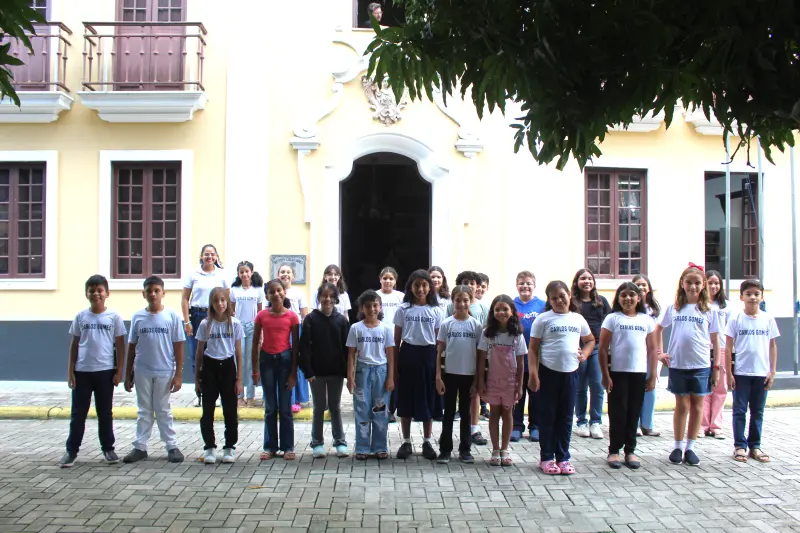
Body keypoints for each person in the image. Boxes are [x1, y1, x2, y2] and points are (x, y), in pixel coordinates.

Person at [655, 265, 720, 466]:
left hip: (700, 364)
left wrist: (715, 367)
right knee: (681, 405)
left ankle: (690, 447)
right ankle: (677, 445)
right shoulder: (674, 308)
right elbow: (658, 329)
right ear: (682, 284)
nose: (693, 286)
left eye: (697, 283)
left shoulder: (709, 310)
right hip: (678, 364)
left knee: (697, 405)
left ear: (703, 286)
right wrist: (660, 353)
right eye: (689, 282)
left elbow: (716, 340)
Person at [60, 275, 126, 468]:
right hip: (82, 372)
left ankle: (108, 448)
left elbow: (120, 346)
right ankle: (71, 451)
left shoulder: (114, 318)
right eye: (92, 290)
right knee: (78, 414)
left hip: (105, 371)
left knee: (105, 413)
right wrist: (70, 371)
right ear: (86, 294)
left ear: (107, 293)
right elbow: (74, 344)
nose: (96, 293)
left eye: (100, 290)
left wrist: (119, 371)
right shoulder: (81, 317)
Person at [529, 280, 594, 475]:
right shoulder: (543, 319)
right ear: (549, 300)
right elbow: (532, 349)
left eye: (562, 296)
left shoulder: (577, 319)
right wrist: (533, 374)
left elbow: (590, 340)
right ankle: (547, 457)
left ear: (569, 295)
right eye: (554, 298)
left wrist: (585, 353)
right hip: (547, 373)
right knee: (548, 416)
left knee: (566, 417)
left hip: (571, 374)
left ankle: (563, 457)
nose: (559, 300)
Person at [123, 276, 186, 464]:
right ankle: (140, 447)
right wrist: (128, 374)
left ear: (163, 293)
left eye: (156, 290)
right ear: (144, 294)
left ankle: (172, 445)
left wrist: (178, 374)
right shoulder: (137, 317)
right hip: (142, 370)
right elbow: (132, 346)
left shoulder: (172, 317)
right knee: (144, 410)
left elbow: (178, 345)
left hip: (164, 370)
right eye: (149, 291)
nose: (153, 294)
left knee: (163, 409)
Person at [599, 282, 658, 469]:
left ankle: (630, 450)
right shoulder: (612, 318)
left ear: (639, 298)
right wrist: (605, 375)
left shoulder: (646, 320)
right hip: (617, 373)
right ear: (618, 298)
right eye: (623, 295)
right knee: (618, 412)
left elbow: (652, 349)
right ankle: (614, 450)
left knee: (634, 413)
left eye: (632, 294)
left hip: (638, 373)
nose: (628, 298)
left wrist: (652, 374)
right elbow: (602, 349)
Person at [726, 279, 779, 463]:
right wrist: (729, 373)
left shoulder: (768, 319)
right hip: (741, 373)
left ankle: (755, 446)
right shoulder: (735, 319)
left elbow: (772, 346)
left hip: (761, 374)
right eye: (748, 294)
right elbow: (728, 347)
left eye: (756, 294)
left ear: (762, 296)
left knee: (758, 411)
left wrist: (772, 371)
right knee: (739, 410)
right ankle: (740, 445)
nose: (753, 297)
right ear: (741, 297)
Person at [393, 269, 441, 460]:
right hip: (408, 355)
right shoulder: (403, 309)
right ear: (410, 287)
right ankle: (406, 442)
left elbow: (439, 342)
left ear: (430, 288)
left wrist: (438, 369)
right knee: (406, 399)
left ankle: (427, 441)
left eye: (424, 285)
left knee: (427, 399)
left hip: (428, 356)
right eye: (416, 285)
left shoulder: (436, 311)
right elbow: (396, 341)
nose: (420, 289)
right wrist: (394, 367)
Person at [194, 287, 244, 465]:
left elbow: (238, 354)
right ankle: (209, 447)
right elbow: (199, 353)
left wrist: (239, 379)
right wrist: (197, 379)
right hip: (210, 367)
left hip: (228, 366)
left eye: (223, 300)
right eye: (216, 301)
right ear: (211, 304)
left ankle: (229, 446)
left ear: (228, 302)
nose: (220, 304)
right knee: (207, 411)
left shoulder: (235, 324)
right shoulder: (205, 324)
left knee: (230, 411)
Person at [301, 283, 350, 459]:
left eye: (331, 296)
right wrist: (308, 371)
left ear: (335, 298)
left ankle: (340, 442)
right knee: (319, 407)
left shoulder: (342, 321)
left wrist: (347, 372)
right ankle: (317, 442)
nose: (327, 299)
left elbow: (348, 349)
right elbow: (304, 347)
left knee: (335, 407)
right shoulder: (311, 319)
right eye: (324, 296)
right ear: (319, 298)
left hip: (336, 372)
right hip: (317, 373)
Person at [477, 295, 526, 466]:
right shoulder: (487, 333)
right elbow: (481, 359)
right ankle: (495, 449)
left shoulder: (517, 335)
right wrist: (480, 381)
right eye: (497, 309)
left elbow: (521, 363)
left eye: (505, 309)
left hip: (510, 381)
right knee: (494, 413)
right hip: (492, 380)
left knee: (507, 413)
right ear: (492, 312)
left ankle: (505, 449)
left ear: (512, 311)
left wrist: (520, 385)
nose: (501, 312)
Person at [253, 279, 300, 460]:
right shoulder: (261, 316)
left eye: (279, 290)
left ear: (284, 292)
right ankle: (270, 446)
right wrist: (254, 369)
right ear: (267, 295)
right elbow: (256, 342)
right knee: (271, 407)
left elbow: (295, 347)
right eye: (271, 291)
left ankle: (288, 446)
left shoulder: (292, 317)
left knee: (285, 407)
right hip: (266, 361)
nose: (276, 294)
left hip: (285, 361)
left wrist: (294, 373)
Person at [347, 290, 396, 460]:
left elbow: (390, 355)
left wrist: (390, 377)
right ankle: (362, 447)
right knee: (362, 410)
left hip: (381, 372)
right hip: (362, 372)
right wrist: (350, 377)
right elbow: (351, 354)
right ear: (362, 308)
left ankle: (380, 446)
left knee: (380, 410)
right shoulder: (355, 328)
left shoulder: (386, 328)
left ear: (380, 307)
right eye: (368, 306)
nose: (372, 309)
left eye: (375, 305)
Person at [435, 285, 481, 464]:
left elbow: (480, 354)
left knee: (466, 413)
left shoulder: (475, 325)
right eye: (458, 300)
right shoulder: (446, 324)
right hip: (449, 375)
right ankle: (445, 449)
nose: (461, 304)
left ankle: (465, 449)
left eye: (465, 300)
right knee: (448, 413)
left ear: (470, 301)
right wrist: (438, 376)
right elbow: (439, 352)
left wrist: (477, 380)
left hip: (468, 376)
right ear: (452, 301)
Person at [182, 244, 230, 407]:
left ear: (216, 257)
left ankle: (214, 393)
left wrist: (227, 319)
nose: (209, 257)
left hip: (216, 316)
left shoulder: (222, 275)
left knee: (216, 354)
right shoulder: (193, 274)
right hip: (197, 315)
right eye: (206, 254)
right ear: (201, 256)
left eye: (212, 254)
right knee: (198, 354)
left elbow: (227, 299)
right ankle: (200, 392)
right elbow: (184, 299)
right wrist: (187, 321)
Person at [451, 270, 490, 445]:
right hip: (455, 357)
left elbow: (487, 332)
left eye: (472, 283)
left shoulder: (483, 308)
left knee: (474, 394)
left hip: (475, 356)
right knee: (455, 396)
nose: (469, 286)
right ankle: (452, 431)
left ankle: (474, 429)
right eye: (465, 282)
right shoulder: (450, 306)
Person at [571, 268, 610, 439]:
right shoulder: (572, 302)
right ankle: (581, 422)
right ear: (577, 282)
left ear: (594, 282)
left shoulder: (601, 302)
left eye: (589, 278)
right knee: (580, 387)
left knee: (597, 385)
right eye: (583, 278)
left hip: (597, 348)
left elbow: (609, 322)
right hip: (577, 348)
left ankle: (595, 422)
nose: (586, 281)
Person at [511, 270, 546, 443]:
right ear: (516, 285)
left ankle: (536, 427)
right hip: (515, 359)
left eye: (528, 283)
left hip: (536, 361)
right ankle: (516, 426)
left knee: (537, 394)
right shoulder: (511, 304)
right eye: (522, 283)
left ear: (534, 285)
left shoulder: (542, 305)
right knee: (517, 393)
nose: (525, 286)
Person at [230, 260, 264, 407]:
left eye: (246, 271)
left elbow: (261, 311)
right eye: (241, 272)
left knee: (251, 360)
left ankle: (250, 396)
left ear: (251, 272)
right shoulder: (234, 290)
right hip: (238, 326)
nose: (244, 274)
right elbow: (231, 309)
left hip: (253, 326)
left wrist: (261, 331)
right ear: (238, 274)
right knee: (239, 360)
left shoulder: (258, 290)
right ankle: (239, 395)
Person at [701, 269, 730, 438]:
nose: (713, 286)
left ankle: (716, 425)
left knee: (720, 388)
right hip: (703, 349)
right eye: (710, 282)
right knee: (704, 388)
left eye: (716, 283)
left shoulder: (726, 306)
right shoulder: (700, 305)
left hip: (722, 350)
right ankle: (703, 424)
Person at [633, 274, 662, 437]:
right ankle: (635, 423)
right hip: (637, 353)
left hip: (651, 352)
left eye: (644, 285)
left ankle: (647, 424)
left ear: (649, 288)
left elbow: (658, 333)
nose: (642, 288)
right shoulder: (630, 306)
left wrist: (659, 353)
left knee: (651, 388)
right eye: (638, 285)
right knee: (636, 388)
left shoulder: (655, 309)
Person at [278, 263, 309, 413]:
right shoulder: (274, 291)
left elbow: (304, 315)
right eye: (282, 272)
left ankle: (297, 398)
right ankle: (283, 398)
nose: (285, 274)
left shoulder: (299, 292)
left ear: (293, 276)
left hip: (296, 330)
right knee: (282, 363)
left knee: (296, 363)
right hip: (278, 330)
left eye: (288, 272)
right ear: (278, 275)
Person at [378, 266, 404, 422]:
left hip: (396, 341)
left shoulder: (401, 297)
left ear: (395, 281)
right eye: (385, 278)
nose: (387, 281)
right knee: (381, 374)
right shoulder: (375, 295)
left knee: (394, 374)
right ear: (380, 279)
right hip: (378, 341)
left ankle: (392, 409)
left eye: (391, 278)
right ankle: (381, 406)